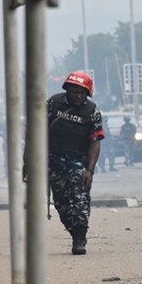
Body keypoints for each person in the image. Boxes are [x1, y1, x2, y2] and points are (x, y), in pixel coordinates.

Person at [46, 71, 104, 254]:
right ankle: (74, 231)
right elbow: (36, 131)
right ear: (67, 91)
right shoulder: (53, 104)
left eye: (82, 93)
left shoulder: (92, 111)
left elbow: (95, 141)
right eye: (75, 92)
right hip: (54, 160)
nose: (78, 96)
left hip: (79, 161)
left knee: (79, 200)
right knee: (61, 204)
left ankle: (80, 238)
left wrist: (90, 170)